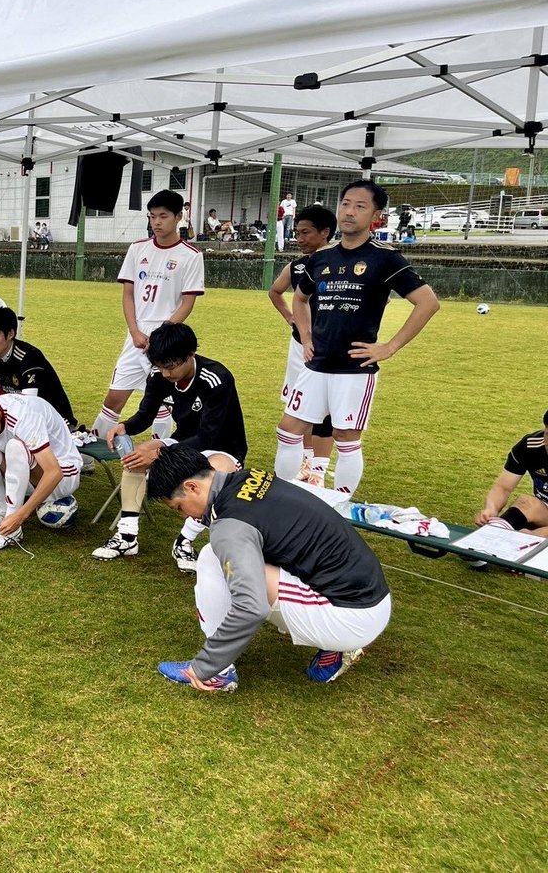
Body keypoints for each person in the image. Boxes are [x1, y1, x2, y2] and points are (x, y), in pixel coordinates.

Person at [148, 445, 392, 693]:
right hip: (371, 595)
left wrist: (204, 665)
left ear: (192, 487)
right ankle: (334, 646)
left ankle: (218, 673)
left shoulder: (229, 526)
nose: (184, 516)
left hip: (354, 614)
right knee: (233, 557)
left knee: (212, 557)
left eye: (179, 507)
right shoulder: (250, 476)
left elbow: (250, 606)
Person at [276, 180, 440, 499]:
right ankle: (285, 501)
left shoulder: (386, 258)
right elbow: (298, 298)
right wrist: (306, 338)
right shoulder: (321, 258)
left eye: (360, 206)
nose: (350, 212)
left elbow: (428, 302)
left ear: (376, 216)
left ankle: (341, 507)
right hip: (316, 364)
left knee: (346, 437)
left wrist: (389, 347)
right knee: (288, 430)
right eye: (346, 204)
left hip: (354, 369)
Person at [93, 322, 246, 571]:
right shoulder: (159, 374)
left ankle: (184, 542)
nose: (165, 374)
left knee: (215, 473)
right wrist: (126, 427)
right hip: (183, 438)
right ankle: (127, 535)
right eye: (160, 366)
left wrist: (160, 454)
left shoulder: (216, 379)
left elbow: (207, 437)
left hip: (223, 447)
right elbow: (145, 414)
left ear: (190, 355)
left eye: (171, 367)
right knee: (136, 457)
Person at [92, 189, 203, 442]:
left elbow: (187, 302)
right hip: (136, 335)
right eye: (152, 217)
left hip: (165, 337)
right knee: (114, 398)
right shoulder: (137, 249)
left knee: (164, 402)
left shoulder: (191, 255)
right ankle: (92, 450)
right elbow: (128, 293)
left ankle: (158, 456)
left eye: (163, 216)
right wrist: (134, 331)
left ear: (178, 216)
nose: (156, 223)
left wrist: (162, 335)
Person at [267, 205, 338, 487]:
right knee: (299, 407)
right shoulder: (296, 266)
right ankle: (308, 459)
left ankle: (319, 467)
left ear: (325, 232)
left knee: (327, 410)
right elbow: (275, 291)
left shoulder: (340, 264)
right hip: (300, 348)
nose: (300, 238)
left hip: (331, 352)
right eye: (297, 232)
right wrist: (290, 317)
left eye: (305, 232)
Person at [0, 394, 83, 552]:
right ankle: (2, 513)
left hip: (63, 477)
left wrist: (20, 516)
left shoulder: (25, 416)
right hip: (31, 474)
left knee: (15, 446)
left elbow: (54, 473)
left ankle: (12, 529)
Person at [0, 305, 78, 430]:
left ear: (10, 334)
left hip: (58, 423)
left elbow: (28, 405)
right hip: (25, 417)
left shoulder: (29, 358)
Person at [474, 409, 548, 536]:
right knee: (526, 502)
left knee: (533, 535)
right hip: (544, 510)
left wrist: (537, 534)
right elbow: (503, 487)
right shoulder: (529, 446)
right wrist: (491, 508)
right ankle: (487, 537)